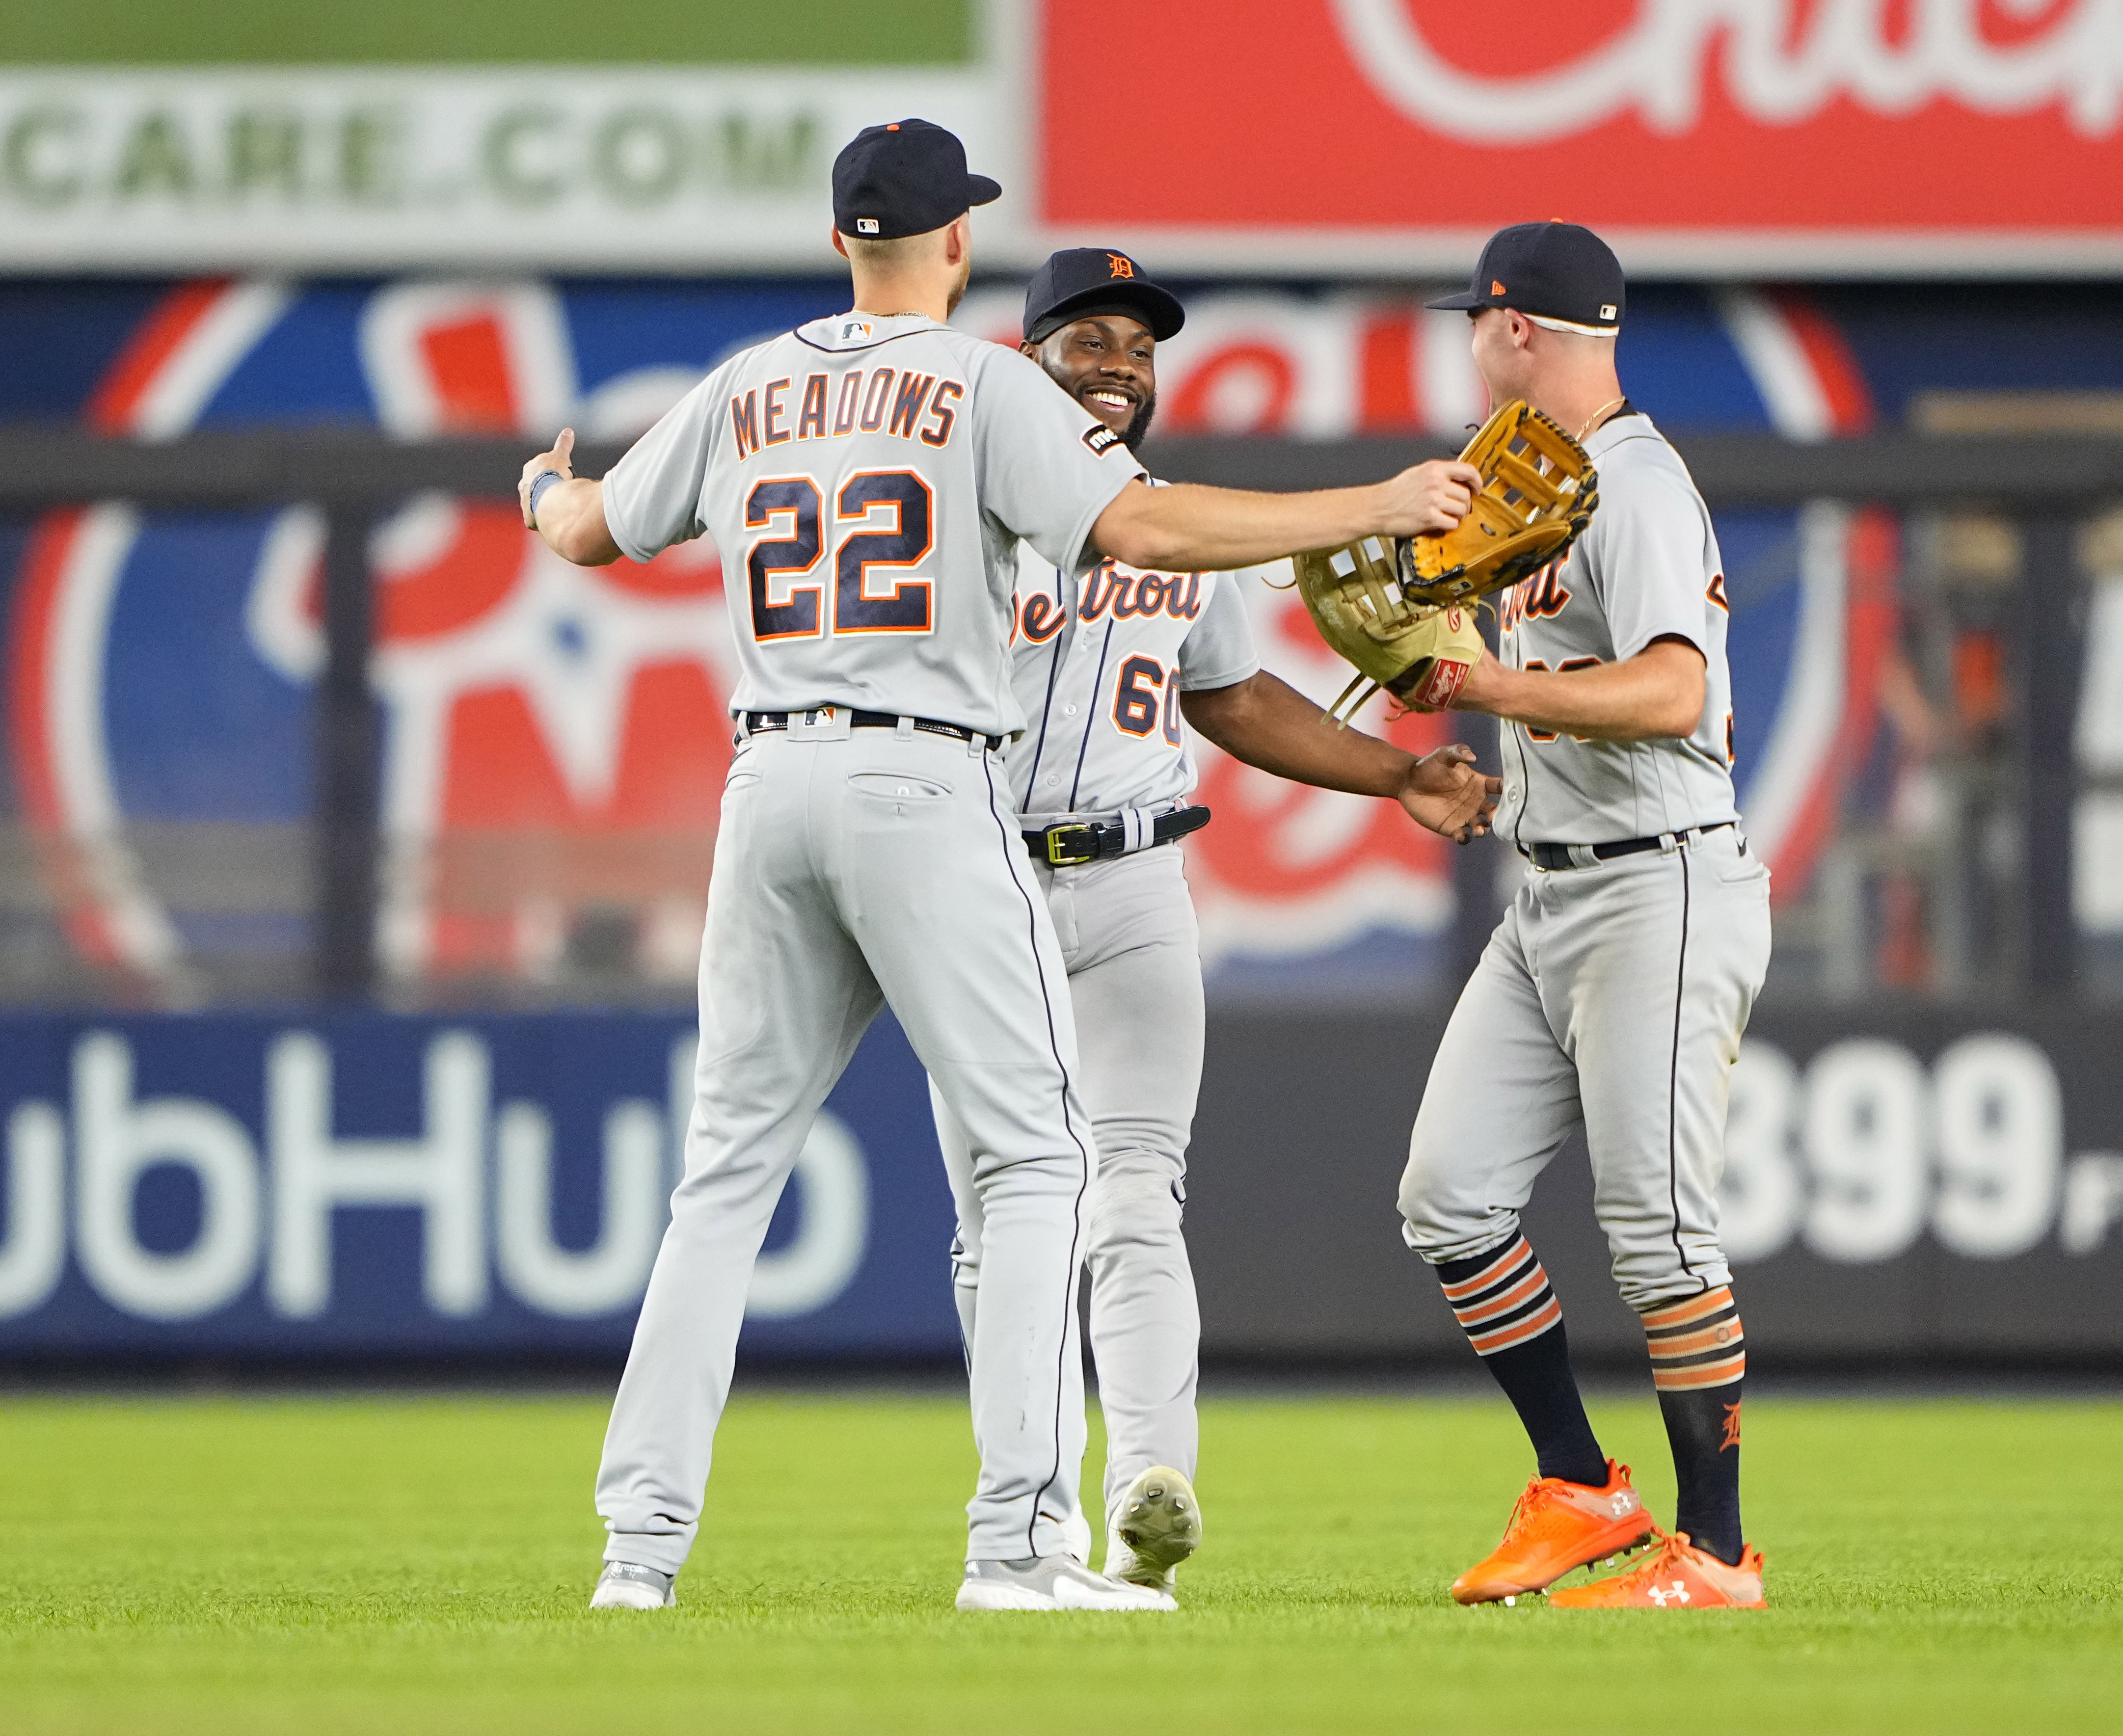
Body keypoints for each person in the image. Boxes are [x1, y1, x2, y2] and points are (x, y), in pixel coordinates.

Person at [518, 118, 1480, 1614]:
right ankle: (1018, 1547)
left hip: (768, 775)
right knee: (1044, 1161)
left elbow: (589, 531)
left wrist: (540, 494)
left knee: (722, 1178)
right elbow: (1144, 521)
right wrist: (1372, 503)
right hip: (922, 775)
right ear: (957, 246)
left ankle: (635, 1557)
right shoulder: (977, 382)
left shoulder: (747, 381)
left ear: (841, 241)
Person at [934, 248, 1503, 1593]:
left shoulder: (1179, 524)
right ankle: (1027, 1518)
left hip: (1136, 879)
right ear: (1024, 358)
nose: (1120, 365)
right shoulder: (962, 500)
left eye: (1139, 346)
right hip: (982, 882)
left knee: (1135, 1195)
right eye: (1090, 340)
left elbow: (1232, 697)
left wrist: (1395, 775)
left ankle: (1144, 1494)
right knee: (1003, 1220)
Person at [1394, 223, 1774, 1610]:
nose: (1467, 350)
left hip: (1659, 878)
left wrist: (1483, 689)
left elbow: (1673, 691)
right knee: (1448, 1195)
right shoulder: (1533, 483)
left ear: (1514, 330)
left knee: (1659, 1232)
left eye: (1473, 326)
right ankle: (1581, 1486)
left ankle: (1719, 1553)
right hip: (1550, 882)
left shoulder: (1636, 483)